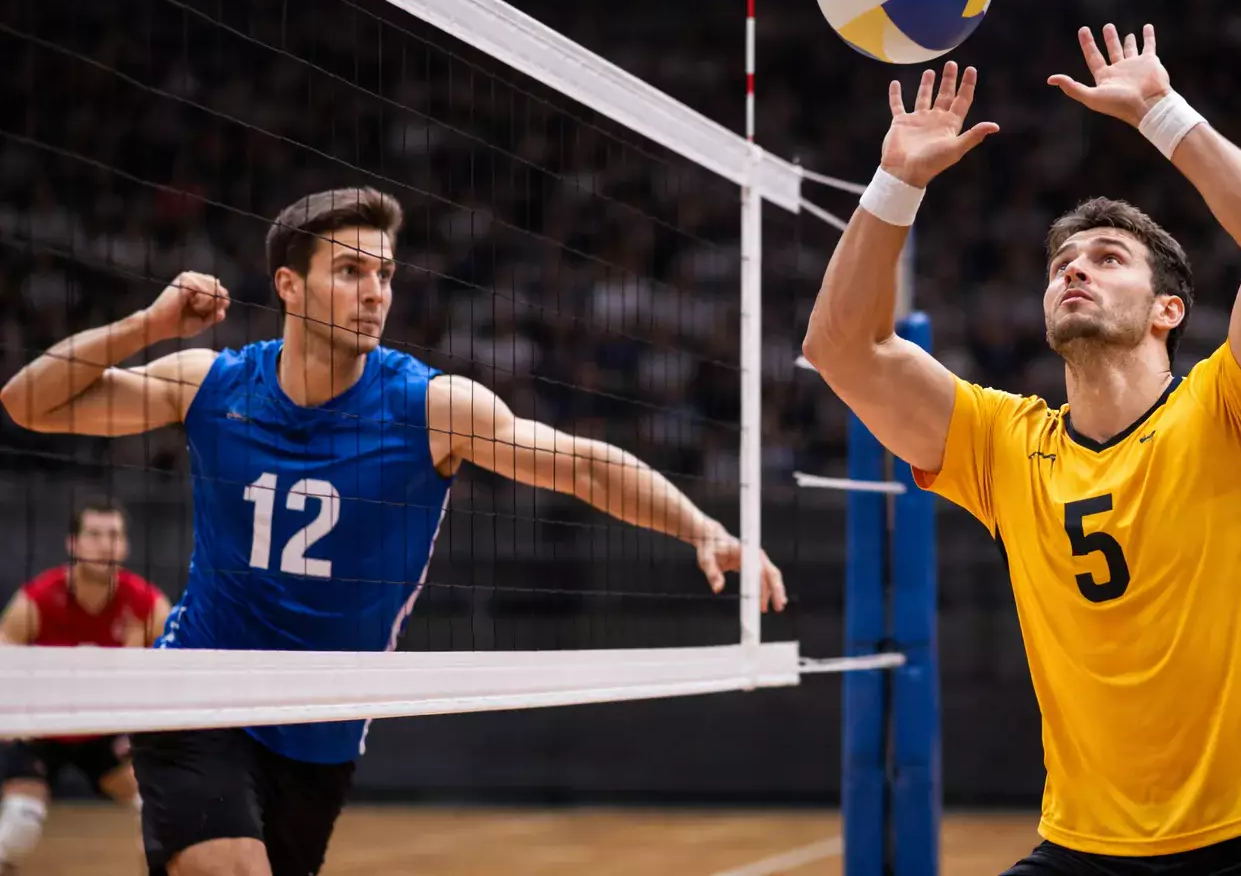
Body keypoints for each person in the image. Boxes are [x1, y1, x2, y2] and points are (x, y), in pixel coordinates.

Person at [0, 187, 788, 876]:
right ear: (290, 286)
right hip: (198, 693)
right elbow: (28, 404)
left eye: (384, 274)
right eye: (350, 271)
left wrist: (701, 528)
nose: (375, 292)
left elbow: (579, 465)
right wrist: (148, 324)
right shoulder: (213, 382)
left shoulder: (429, 408)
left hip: (322, 727)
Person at [803, 26, 1241, 874]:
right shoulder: (1003, 443)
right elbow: (842, 350)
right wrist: (897, 182)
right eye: (1062, 262)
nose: (1074, 272)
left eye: (1107, 258)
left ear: (1168, 309)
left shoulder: (1231, 410)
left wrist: (1162, 115)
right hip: (1086, 849)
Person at [0, 500, 170, 875]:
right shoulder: (38, 599)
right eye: (94, 535)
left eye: (114, 535)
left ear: (125, 545)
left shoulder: (147, 604)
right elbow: (4, 659)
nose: (105, 544)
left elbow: (169, 677)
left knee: (163, 818)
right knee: (18, 826)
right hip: (42, 725)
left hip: (104, 729)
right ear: (73, 544)